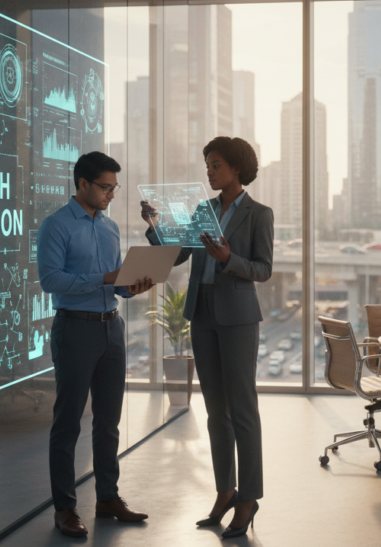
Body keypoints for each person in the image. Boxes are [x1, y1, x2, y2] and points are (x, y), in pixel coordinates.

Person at [142, 136, 272, 539]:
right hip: (202, 314)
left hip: (237, 317)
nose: (210, 172)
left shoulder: (258, 214)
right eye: (208, 165)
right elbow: (179, 253)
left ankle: (249, 498)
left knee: (242, 409)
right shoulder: (204, 210)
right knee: (217, 412)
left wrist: (227, 260)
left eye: (215, 165)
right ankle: (225, 490)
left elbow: (264, 269)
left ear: (236, 169)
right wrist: (155, 225)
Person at [37, 151, 155, 538]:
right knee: (68, 422)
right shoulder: (56, 226)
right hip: (75, 330)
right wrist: (106, 277)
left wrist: (131, 285)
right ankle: (65, 508)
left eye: (114, 188)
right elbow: (51, 280)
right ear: (82, 184)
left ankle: (107, 497)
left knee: (109, 422)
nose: (110, 195)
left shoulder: (109, 228)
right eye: (105, 187)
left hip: (111, 328)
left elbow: (115, 284)